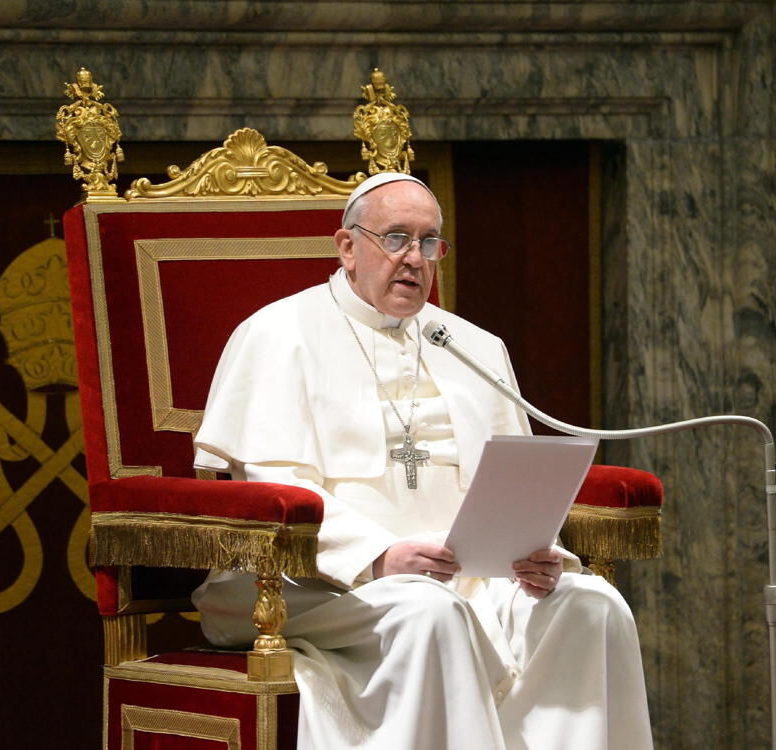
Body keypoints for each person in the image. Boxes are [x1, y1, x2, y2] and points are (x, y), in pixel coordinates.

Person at [192, 172, 654, 750]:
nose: (414, 258)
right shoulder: (278, 335)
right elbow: (272, 487)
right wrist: (378, 557)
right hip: (314, 584)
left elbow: (510, 479)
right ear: (347, 246)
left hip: (467, 577)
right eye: (396, 238)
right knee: (431, 613)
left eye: (430, 242)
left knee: (591, 605)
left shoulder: (470, 345)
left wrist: (533, 551)